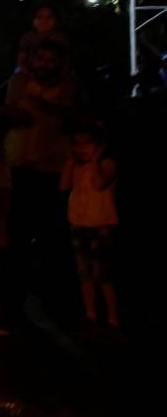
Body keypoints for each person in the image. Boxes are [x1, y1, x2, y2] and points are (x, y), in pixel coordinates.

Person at [2, 38, 78, 326]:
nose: (44, 64)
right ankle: (12, 306)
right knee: (16, 241)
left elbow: (72, 116)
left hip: (53, 172)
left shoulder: (69, 86)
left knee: (54, 242)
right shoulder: (19, 81)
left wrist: (41, 107)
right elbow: (10, 111)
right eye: (40, 59)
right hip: (21, 168)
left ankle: (56, 305)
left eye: (50, 60)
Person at [62, 127, 119, 328]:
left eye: (86, 143)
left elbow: (98, 184)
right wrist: (70, 160)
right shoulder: (77, 166)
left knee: (102, 273)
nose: (81, 148)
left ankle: (112, 317)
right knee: (84, 272)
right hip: (78, 222)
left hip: (100, 224)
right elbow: (63, 185)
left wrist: (95, 160)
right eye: (77, 143)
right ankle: (90, 314)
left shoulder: (108, 164)